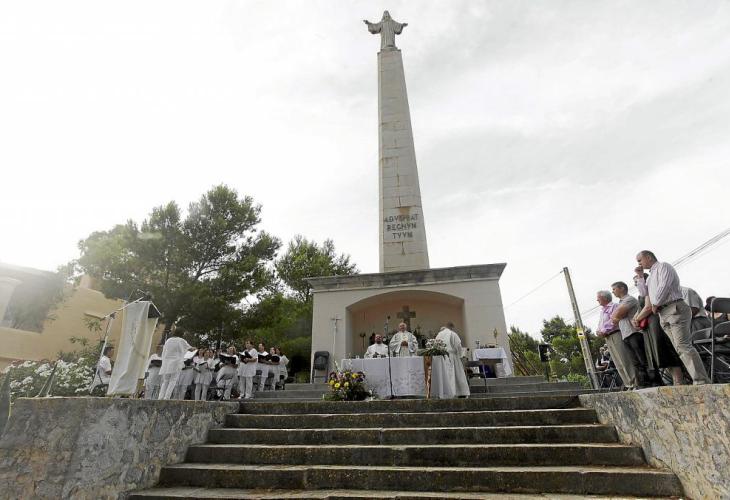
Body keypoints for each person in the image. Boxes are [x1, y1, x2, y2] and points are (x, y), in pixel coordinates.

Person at [635, 250, 711, 384]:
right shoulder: (650, 277)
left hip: (674, 307)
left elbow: (664, 286)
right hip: (663, 313)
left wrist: (655, 303)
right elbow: (643, 293)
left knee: (683, 346)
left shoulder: (663, 266)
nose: (639, 263)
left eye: (640, 260)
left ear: (648, 257)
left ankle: (701, 380)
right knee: (678, 348)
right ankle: (696, 378)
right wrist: (640, 277)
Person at [610, 282, 650, 388]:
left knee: (642, 359)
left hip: (634, 333)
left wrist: (616, 316)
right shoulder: (620, 303)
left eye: (614, 289)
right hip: (625, 334)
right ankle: (642, 384)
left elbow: (617, 315)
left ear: (622, 288)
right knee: (635, 362)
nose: (612, 292)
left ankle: (651, 381)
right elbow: (613, 318)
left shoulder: (629, 299)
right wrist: (615, 316)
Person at [595, 290, 637, 389]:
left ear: (604, 298)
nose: (597, 300)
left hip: (616, 334)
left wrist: (603, 330)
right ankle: (628, 384)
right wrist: (598, 331)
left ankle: (635, 383)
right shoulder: (602, 311)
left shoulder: (614, 306)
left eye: (598, 298)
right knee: (618, 363)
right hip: (608, 337)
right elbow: (601, 324)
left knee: (624, 359)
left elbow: (613, 321)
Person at [435, 322, 470, 397]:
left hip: (441, 357)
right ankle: (459, 392)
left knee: (444, 375)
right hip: (452, 356)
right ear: (451, 327)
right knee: (456, 374)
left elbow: (435, 346)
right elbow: (458, 346)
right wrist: (460, 355)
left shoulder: (439, 335)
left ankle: (444, 393)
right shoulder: (453, 334)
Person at [158, 335, 194, 400]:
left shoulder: (168, 340)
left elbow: (164, 351)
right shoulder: (181, 340)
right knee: (173, 380)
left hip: (167, 363)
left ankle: (160, 397)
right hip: (176, 363)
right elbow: (191, 349)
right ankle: (167, 397)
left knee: (165, 381)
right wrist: (195, 348)